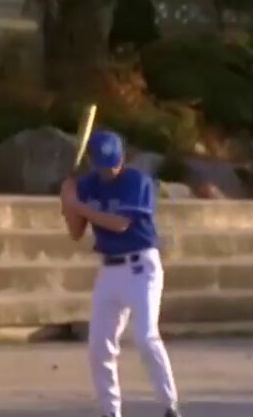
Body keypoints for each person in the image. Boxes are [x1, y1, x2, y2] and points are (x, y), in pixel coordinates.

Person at [60, 130, 182, 417]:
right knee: (99, 346)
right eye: (104, 165)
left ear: (122, 157)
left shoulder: (137, 182)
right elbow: (76, 232)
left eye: (114, 162)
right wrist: (68, 203)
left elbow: (119, 223)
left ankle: (169, 405)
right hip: (109, 270)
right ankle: (110, 411)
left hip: (142, 267)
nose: (111, 169)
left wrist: (78, 205)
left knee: (145, 337)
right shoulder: (87, 185)